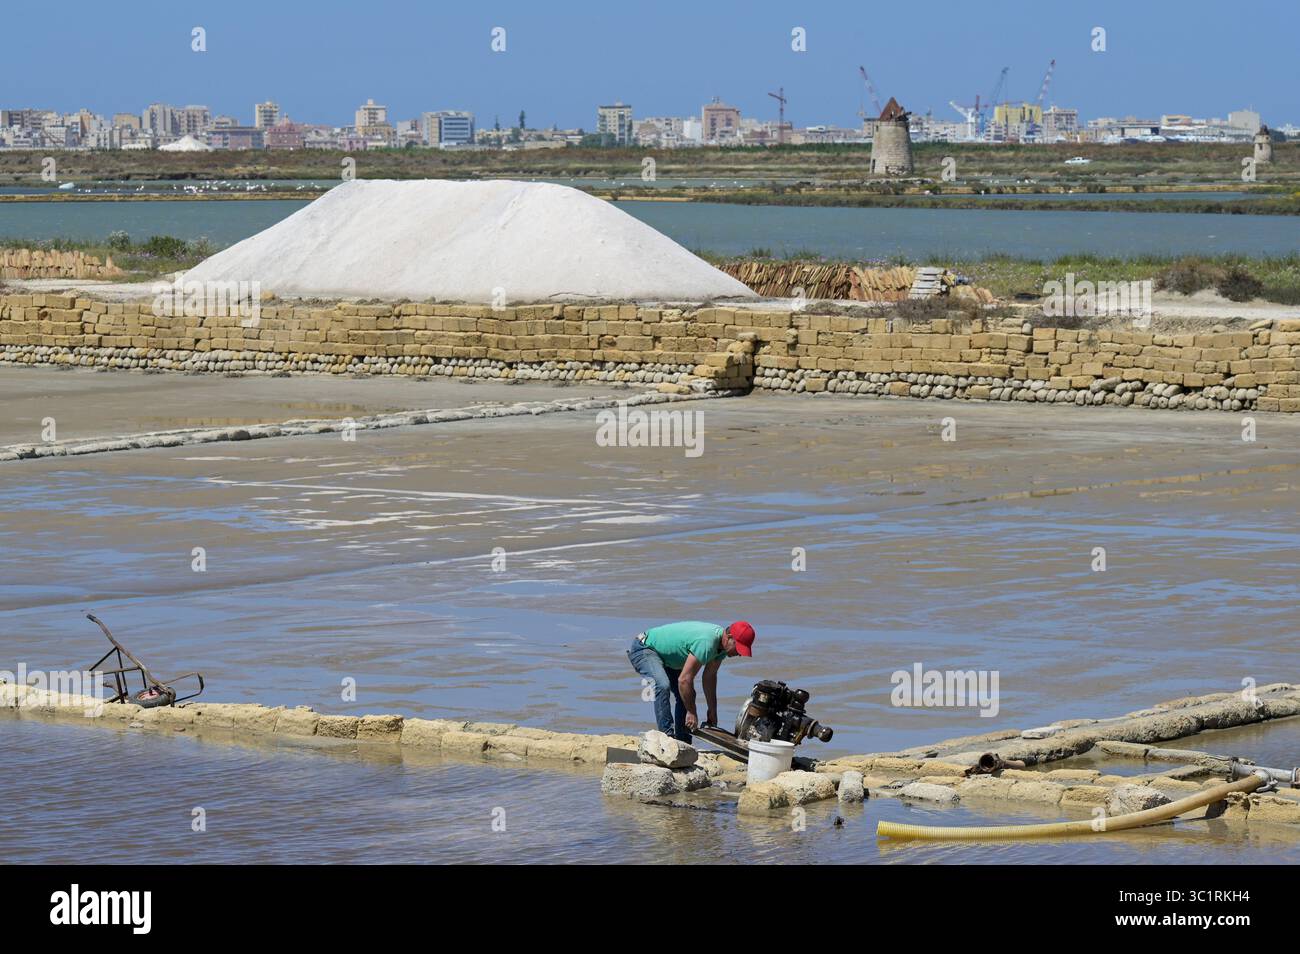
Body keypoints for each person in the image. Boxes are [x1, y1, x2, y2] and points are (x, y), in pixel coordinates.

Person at [627, 621, 754, 742]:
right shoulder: (706, 643)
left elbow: (709, 677)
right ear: (729, 637)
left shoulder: (721, 648)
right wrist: (691, 712)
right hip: (644, 648)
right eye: (738, 648)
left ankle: (684, 741)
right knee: (662, 685)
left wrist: (712, 710)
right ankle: (666, 738)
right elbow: (684, 680)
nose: (739, 654)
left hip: (667, 657)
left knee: (687, 695)